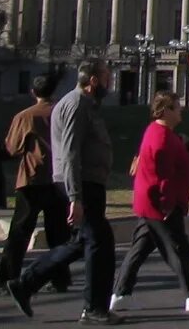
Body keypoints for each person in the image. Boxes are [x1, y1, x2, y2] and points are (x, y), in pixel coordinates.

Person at [6, 58, 119, 325]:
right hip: (81, 184)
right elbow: (69, 153)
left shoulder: (86, 104)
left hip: (87, 183)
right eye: (105, 77)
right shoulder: (76, 105)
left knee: (82, 242)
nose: (109, 82)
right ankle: (94, 309)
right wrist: (75, 197)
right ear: (92, 80)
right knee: (99, 243)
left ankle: (25, 284)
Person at [109, 92, 189, 313]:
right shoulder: (161, 138)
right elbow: (163, 176)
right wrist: (167, 204)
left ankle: (121, 293)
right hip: (161, 205)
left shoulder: (158, 132)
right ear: (166, 110)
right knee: (178, 249)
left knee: (139, 249)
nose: (181, 111)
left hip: (150, 204)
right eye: (177, 107)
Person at [0, 73, 71, 295]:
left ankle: (8, 277)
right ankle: (60, 278)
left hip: (32, 178)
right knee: (58, 233)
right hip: (59, 178)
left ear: (33, 92)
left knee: (20, 231)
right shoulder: (62, 112)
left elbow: (13, 148)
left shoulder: (25, 116)